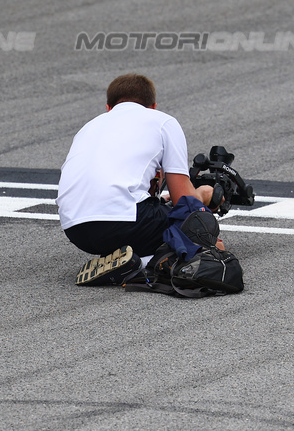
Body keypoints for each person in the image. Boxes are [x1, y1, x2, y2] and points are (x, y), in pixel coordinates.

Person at [57, 73, 216, 287]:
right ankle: (140, 264)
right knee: (194, 231)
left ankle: (118, 259)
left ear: (108, 108)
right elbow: (184, 199)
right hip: (124, 221)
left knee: (159, 216)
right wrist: (205, 199)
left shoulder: (87, 127)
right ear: (153, 107)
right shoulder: (163, 121)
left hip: (76, 229)